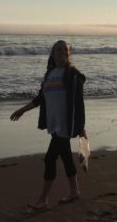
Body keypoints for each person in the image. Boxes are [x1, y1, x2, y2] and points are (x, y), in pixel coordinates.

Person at [10, 40, 87, 209]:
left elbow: (78, 103)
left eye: (64, 49)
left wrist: (81, 127)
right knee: (66, 157)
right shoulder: (50, 74)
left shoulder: (73, 75)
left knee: (50, 158)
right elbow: (40, 98)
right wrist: (22, 110)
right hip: (54, 123)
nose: (61, 52)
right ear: (52, 53)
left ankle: (43, 198)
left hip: (65, 125)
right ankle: (74, 192)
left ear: (69, 54)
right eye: (57, 49)